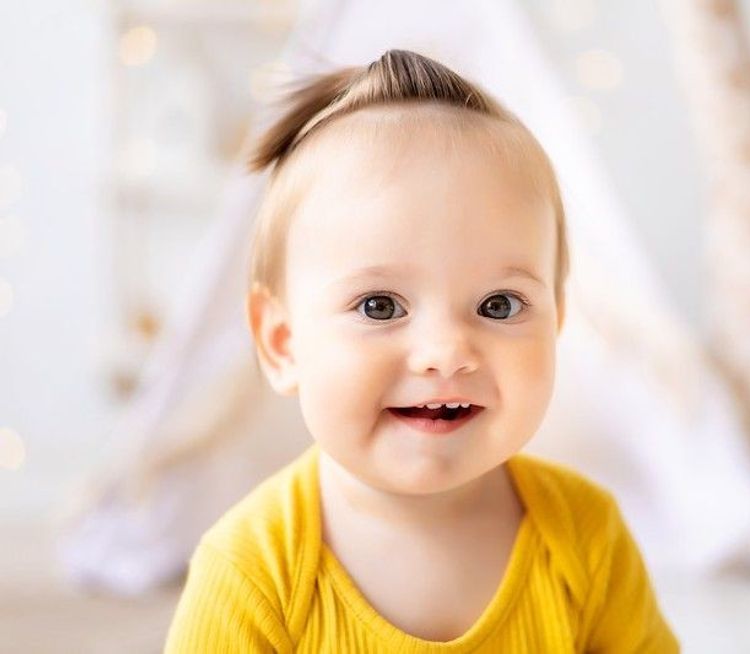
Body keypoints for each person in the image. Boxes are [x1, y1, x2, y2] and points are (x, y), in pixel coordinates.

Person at [164, 49, 679, 652]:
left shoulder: (588, 536)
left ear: (557, 323)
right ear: (283, 344)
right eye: (380, 306)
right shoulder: (252, 574)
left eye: (499, 306)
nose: (445, 352)